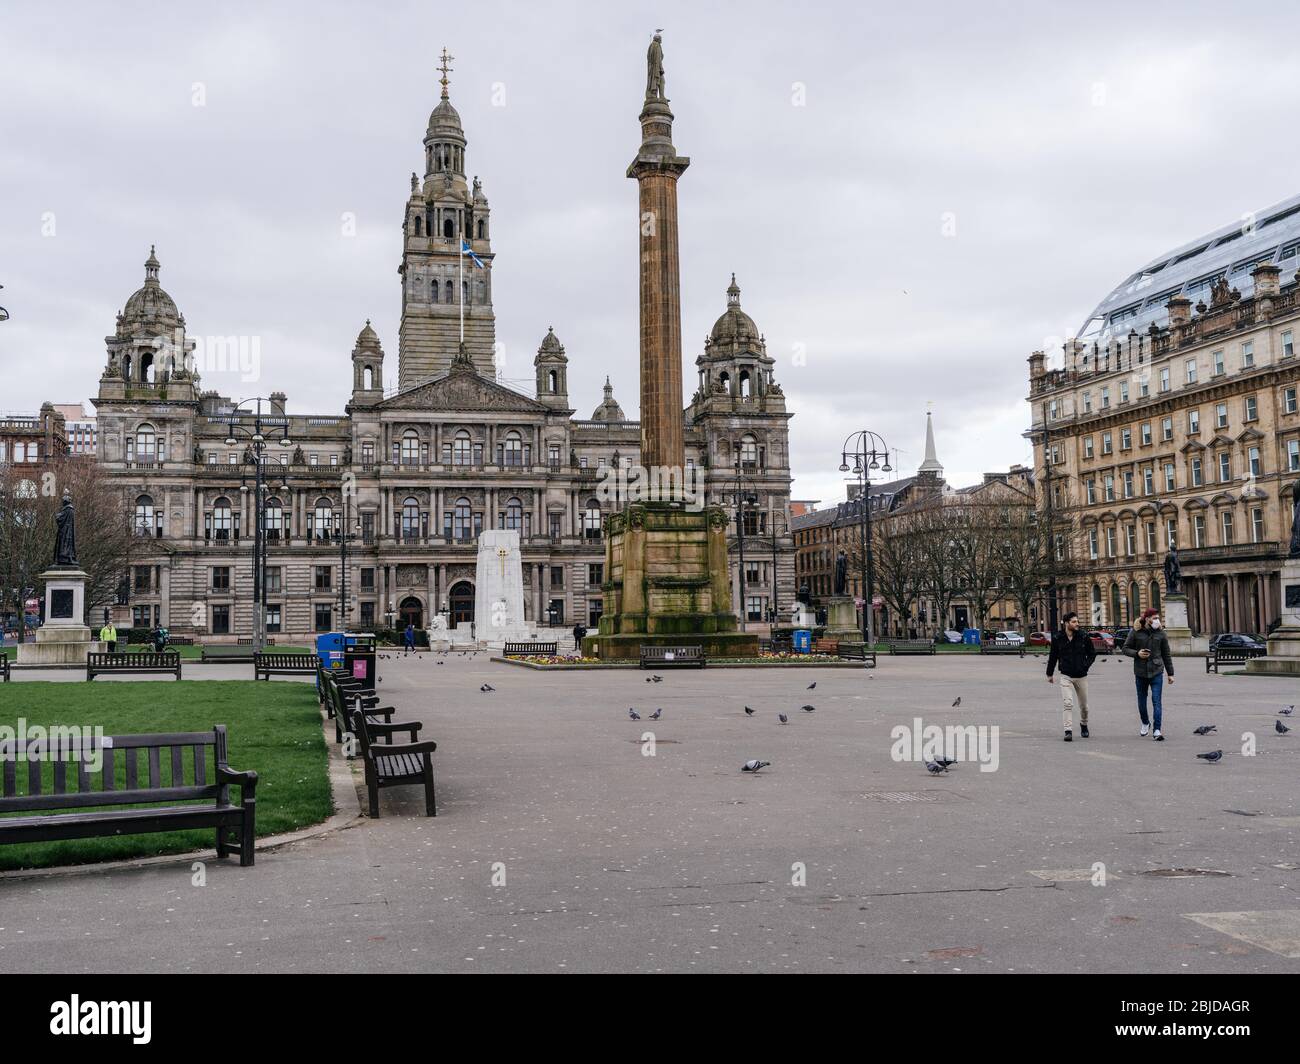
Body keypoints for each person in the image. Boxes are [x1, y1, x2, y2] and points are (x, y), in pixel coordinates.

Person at [1123, 607, 1174, 740]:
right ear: (1147, 619)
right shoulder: (1136, 632)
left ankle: (1157, 729)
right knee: (1141, 701)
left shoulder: (1161, 634)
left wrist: (1170, 673)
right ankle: (1145, 723)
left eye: (1158, 618)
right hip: (1140, 671)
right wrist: (1137, 654)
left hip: (1157, 670)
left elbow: (1166, 654)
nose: (1158, 620)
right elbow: (1125, 648)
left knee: (1156, 701)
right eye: (1155, 618)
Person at [1046, 610, 1096, 742]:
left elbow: (1092, 654)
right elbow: (1053, 656)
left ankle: (1084, 724)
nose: (1077, 624)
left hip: (1081, 676)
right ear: (1066, 623)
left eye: (1077, 621)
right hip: (1066, 675)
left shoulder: (1083, 636)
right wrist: (1049, 673)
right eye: (1074, 622)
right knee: (1067, 703)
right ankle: (1068, 730)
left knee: (1084, 706)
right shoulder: (1058, 638)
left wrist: (1085, 665)